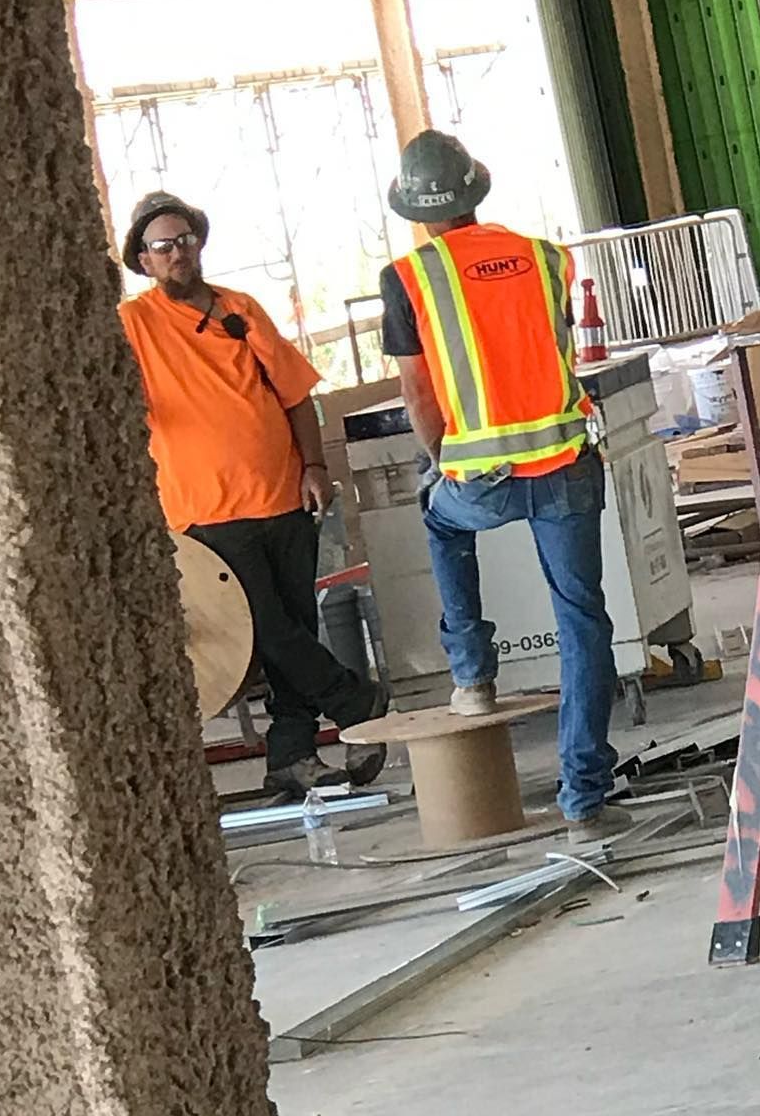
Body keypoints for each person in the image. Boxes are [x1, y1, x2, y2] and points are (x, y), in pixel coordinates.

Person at [377, 131, 629, 840]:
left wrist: (441, 460)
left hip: (481, 476)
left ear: (417, 212)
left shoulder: (409, 276)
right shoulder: (545, 257)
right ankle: (584, 797)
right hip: (565, 463)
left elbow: (418, 392)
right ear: (476, 192)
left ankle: (472, 672)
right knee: (583, 621)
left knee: (440, 521)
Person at [118, 191, 388, 798]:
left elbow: (295, 396)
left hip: (283, 496)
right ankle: (356, 700)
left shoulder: (241, 309)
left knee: (294, 624)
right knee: (265, 630)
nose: (178, 253)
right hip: (204, 512)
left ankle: (291, 757)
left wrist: (314, 465)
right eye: (163, 247)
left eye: (185, 240)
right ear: (144, 259)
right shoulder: (133, 324)